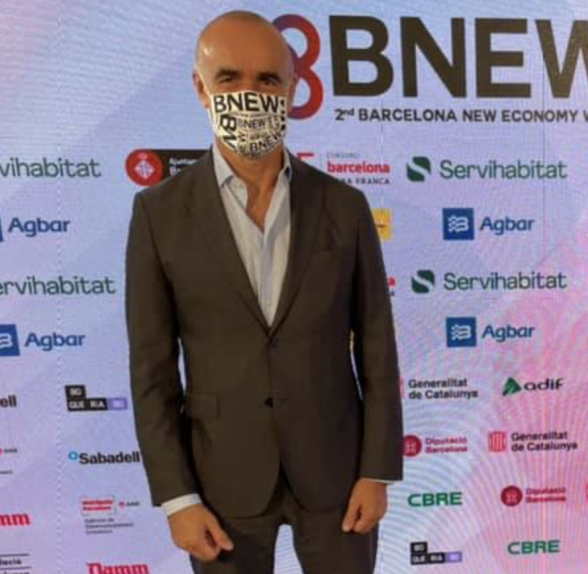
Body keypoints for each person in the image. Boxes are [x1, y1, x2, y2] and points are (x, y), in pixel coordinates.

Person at [125, 10, 402, 574]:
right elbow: (152, 371)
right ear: (201, 88)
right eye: (229, 78)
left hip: (336, 473)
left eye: (268, 79)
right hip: (220, 479)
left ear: (293, 90)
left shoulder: (344, 207)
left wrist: (376, 470)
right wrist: (177, 497)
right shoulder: (158, 213)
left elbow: (377, 347)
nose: (249, 95)